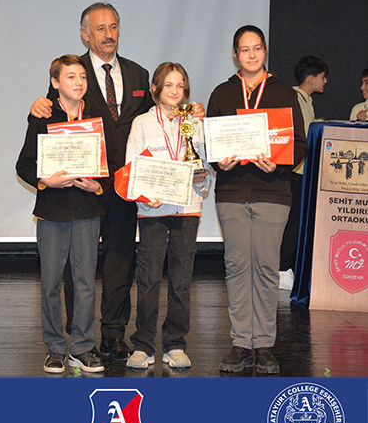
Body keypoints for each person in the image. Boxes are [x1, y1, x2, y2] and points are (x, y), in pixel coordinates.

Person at [29, 2, 205, 361]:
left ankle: (113, 334)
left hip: (124, 184)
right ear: (85, 34)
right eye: (100, 28)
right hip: (84, 187)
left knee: (120, 262)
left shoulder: (139, 74)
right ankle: (80, 338)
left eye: (113, 27)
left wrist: (192, 113)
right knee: (77, 268)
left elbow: (157, 117)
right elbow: (54, 110)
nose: (108, 34)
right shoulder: (74, 73)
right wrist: (38, 104)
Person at [207, 25, 308, 375]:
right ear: (235, 55)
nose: (251, 55)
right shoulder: (222, 93)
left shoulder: (283, 92)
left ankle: (263, 344)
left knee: (266, 268)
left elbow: (299, 144)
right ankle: (240, 343)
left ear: (265, 51)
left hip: (273, 192)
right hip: (232, 193)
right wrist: (218, 161)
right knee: (236, 267)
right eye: (244, 49)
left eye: (257, 48)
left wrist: (278, 162)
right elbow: (211, 142)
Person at [16, 55, 105, 374]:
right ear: (55, 82)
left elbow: (107, 164)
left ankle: (83, 348)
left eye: (82, 76)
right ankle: (55, 348)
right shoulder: (42, 116)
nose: (78, 82)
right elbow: (24, 165)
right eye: (70, 77)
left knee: (85, 283)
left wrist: (97, 185)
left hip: (87, 212)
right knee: (51, 283)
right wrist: (45, 180)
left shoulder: (95, 116)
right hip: (52, 212)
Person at [124, 62, 211, 369]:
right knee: (148, 279)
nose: (175, 91)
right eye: (168, 85)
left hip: (187, 209)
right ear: (155, 89)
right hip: (153, 210)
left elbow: (204, 165)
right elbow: (132, 167)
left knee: (181, 281)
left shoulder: (195, 122)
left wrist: (201, 178)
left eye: (180, 85)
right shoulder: (142, 123)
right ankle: (143, 345)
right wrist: (147, 196)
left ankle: (175, 344)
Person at [279, 55, 328, 290]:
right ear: (311, 78)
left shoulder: (307, 100)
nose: (325, 81)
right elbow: (301, 133)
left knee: (298, 222)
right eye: (322, 77)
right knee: (292, 222)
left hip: (304, 172)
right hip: (295, 171)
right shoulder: (294, 98)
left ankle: (288, 267)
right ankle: (281, 269)